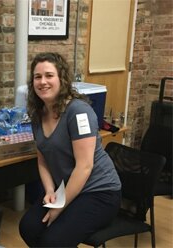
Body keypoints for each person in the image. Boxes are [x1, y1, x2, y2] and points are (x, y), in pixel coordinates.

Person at [19, 52, 122, 247]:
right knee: (29, 227)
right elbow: (42, 159)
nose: (43, 82)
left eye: (49, 75)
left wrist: (60, 208)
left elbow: (84, 166)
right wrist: (49, 191)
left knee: (53, 241)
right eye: (37, 77)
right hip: (66, 189)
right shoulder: (37, 114)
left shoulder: (78, 112)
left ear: (62, 79)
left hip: (100, 192)